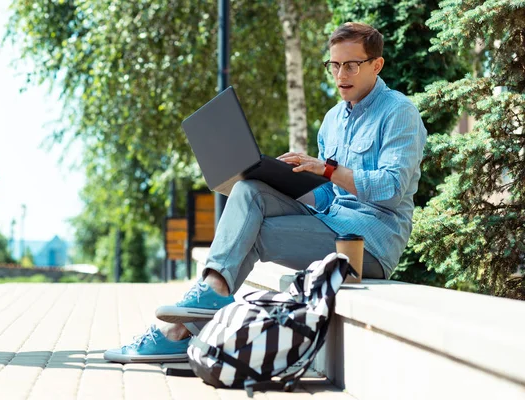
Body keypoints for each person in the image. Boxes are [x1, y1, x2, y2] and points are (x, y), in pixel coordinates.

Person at [104, 22, 427, 363]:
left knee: (252, 233)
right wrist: (289, 181)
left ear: (376, 65)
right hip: (331, 222)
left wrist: (327, 169)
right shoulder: (333, 119)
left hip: (367, 245)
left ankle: (180, 330)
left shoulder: (399, 112)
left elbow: (391, 189)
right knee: (249, 188)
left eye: (351, 65)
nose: (340, 74)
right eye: (333, 65)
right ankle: (202, 307)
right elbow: (330, 199)